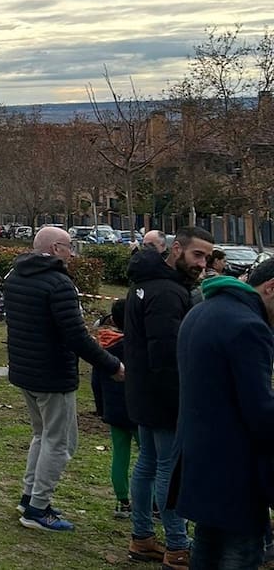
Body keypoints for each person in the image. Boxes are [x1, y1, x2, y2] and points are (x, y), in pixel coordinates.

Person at [4, 226, 124, 532]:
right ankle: (38, 509)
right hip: (52, 373)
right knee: (60, 443)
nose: (73, 253)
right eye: (70, 246)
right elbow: (77, 336)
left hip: (25, 370)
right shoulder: (58, 284)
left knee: (41, 435)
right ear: (56, 248)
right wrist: (111, 365)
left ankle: (29, 496)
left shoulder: (17, 276)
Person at [123, 226, 214, 567]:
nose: (202, 263)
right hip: (163, 395)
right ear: (176, 250)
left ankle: (142, 536)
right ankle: (177, 545)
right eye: (197, 255)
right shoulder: (166, 293)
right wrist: (182, 400)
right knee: (167, 469)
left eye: (206, 256)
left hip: (143, 391)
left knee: (148, 464)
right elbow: (167, 354)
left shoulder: (146, 285)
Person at [175, 258, 274, 568]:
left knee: (207, 546)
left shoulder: (201, 311)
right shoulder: (248, 327)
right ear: (270, 288)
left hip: (200, 458)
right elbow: (259, 413)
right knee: (239, 553)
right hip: (236, 470)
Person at [90, 299, 137, 520]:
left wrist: (101, 408)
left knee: (120, 454)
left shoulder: (104, 347)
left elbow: (95, 381)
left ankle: (121, 501)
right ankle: (155, 502)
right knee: (150, 458)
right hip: (138, 411)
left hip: (114, 410)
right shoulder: (137, 347)